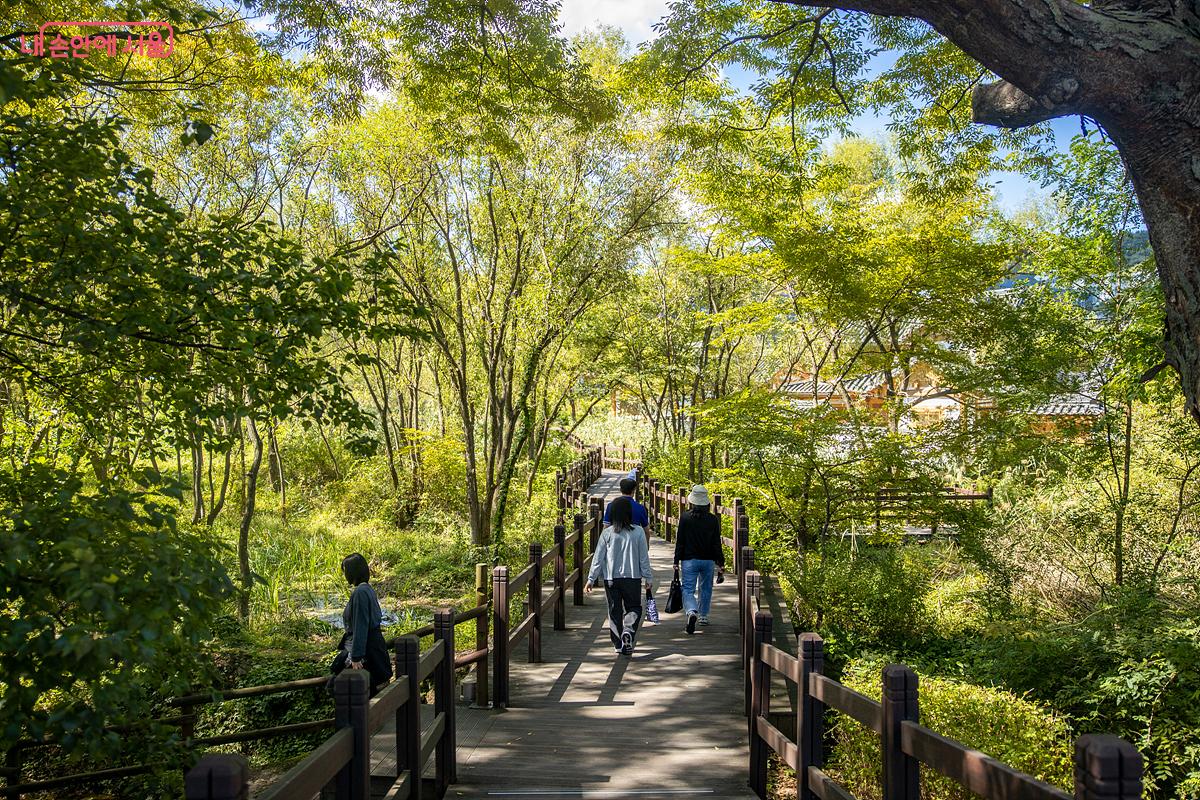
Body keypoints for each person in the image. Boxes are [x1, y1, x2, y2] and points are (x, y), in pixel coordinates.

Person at [586, 495, 654, 655]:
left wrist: (591, 578)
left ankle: (618, 644)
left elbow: (598, 557)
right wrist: (648, 577)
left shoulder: (607, 533)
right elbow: (643, 558)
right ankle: (628, 631)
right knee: (634, 608)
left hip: (611, 579)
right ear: (629, 513)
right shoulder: (638, 532)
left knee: (614, 610)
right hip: (632, 578)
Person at [673, 485, 725, 635]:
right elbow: (716, 543)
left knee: (688, 589)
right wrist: (721, 563)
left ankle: (691, 611)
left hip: (689, 560)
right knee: (706, 587)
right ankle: (703, 616)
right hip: (708, 560)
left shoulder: (685, 517)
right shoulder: (712, 520)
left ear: (692, 501)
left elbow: (680, 541)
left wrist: (676, 561)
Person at [340, 553, 393, 695]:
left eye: (345, 570)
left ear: (353, 571)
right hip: (375, 645)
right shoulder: (367, 589)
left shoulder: (360, 592)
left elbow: (360, 625)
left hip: (369, 650)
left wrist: (356, 657)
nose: (344, 574)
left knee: (362, 694)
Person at [603, 477, 650, 543]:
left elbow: (606, 527)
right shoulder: (640, 508)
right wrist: (646, 546)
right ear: (634, 490)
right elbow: (646, 531)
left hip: (615, 541)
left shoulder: (611, 505)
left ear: (620, 489)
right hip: (634, 542)